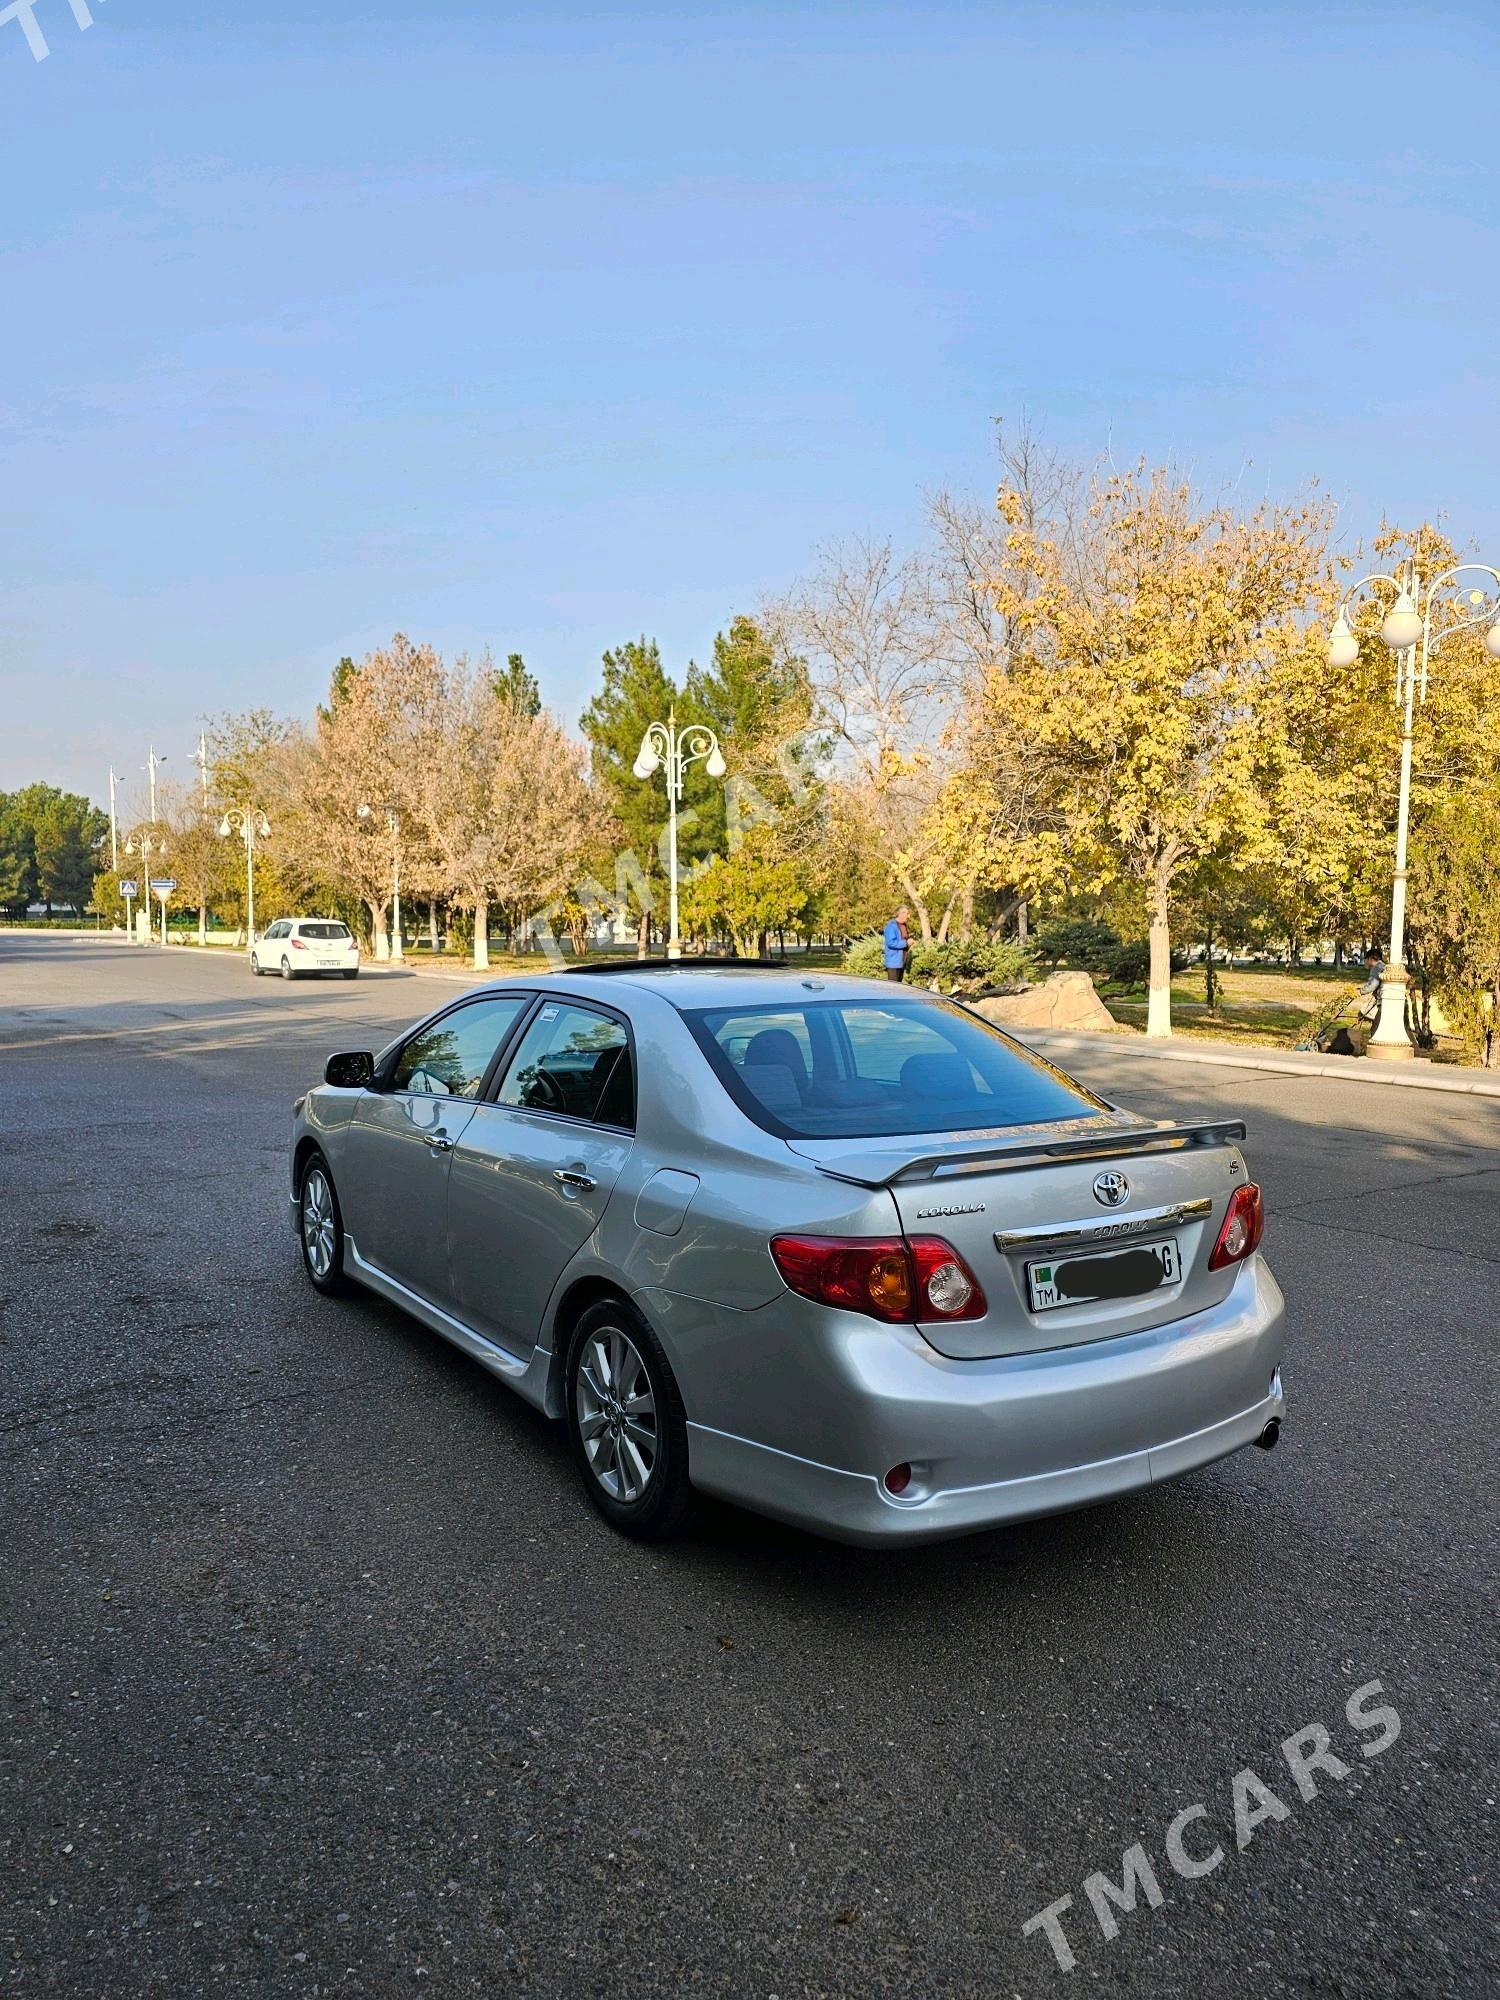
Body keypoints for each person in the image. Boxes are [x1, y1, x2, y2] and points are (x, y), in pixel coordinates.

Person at [882, 905, 912, 983]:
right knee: (893, 988)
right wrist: (906, 943)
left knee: (899, 986)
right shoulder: (891, 926)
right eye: (907, 914)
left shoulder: (904, 925)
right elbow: (891, 942)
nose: (909, 916)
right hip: (893, 963)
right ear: (901, 914)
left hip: (902, 961)